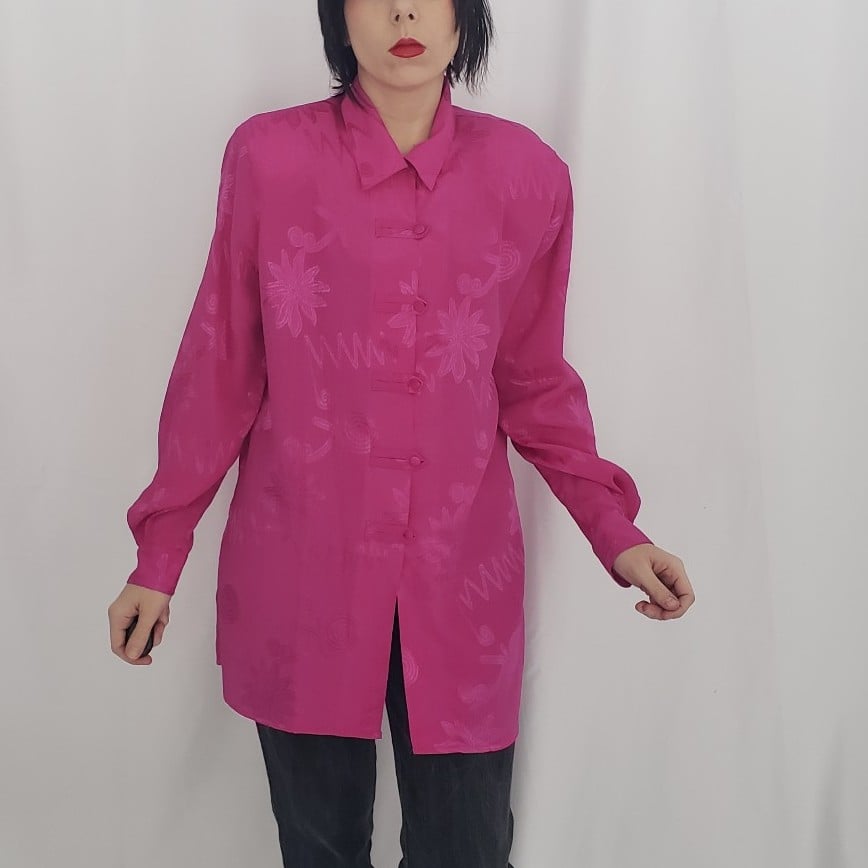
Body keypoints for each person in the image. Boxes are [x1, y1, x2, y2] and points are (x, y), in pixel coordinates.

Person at [108, 1, 695, 865]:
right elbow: (220, 367)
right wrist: (158, 558)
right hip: (302, 575)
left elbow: (533, 382)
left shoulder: (527, 175)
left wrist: (618, 531)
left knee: (466, 847)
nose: (405, 11)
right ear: (338, 16)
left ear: (466, 17)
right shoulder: (270, 159)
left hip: (460, 589)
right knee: (320, 849)